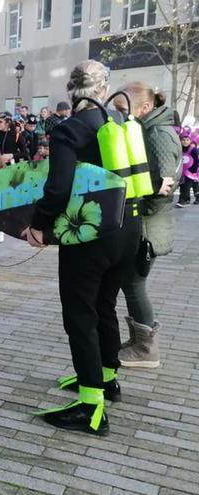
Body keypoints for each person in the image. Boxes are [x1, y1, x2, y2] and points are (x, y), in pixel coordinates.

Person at [24, 60, 140, 435]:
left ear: (71, 92)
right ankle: (106, 379)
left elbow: (58, 189)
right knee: (105, 304)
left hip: (89, 238)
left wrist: (39, 226)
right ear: (104, 90)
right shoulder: (120, 123)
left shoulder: (68, 129)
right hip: (130, 231)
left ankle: (91, 407)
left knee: (80, 314)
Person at [110, 82, 180, 369]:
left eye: (124, 111)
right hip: (144, 222)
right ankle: (140, 341)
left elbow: (163, 185)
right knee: (131, 283)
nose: (121, 117)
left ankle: (147, 348)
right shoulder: (147, 130)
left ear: (145, 108)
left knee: (134, 283)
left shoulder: (157, 134)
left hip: (148, 224)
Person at [177, 129, 199, 206]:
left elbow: (196, 162)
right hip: (182, 172)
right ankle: (182, 199)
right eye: (183, 140)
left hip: (191, 172)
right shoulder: (179, 149)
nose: (185, 141)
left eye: (187, 140)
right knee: (183, 185)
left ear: (190, 141)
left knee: (187, 186)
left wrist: (193, 172)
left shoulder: (193, 150)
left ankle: (185, 200)